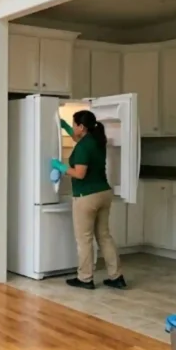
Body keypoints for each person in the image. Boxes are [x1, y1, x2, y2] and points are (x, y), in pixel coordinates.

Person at [52, 111, 127, 290]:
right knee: (104, 236)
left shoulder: (84, 146)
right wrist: (65, 127)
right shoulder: (96, 141)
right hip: (104, 194)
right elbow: (79, 140)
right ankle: (116, 276)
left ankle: (85, 278)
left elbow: (79, 173)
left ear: (82, 127)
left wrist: (61, 167)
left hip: (87, 197)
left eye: (74, 124)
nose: (73, 127)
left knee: (84, 239)